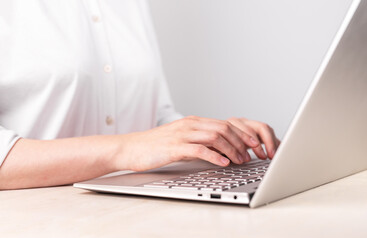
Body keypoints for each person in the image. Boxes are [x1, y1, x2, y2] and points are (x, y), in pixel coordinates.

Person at [0, 0, 280, 190]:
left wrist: (210, 138)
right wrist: (126, 149)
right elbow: (138, 144)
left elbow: (155, 118)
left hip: (128, 210)